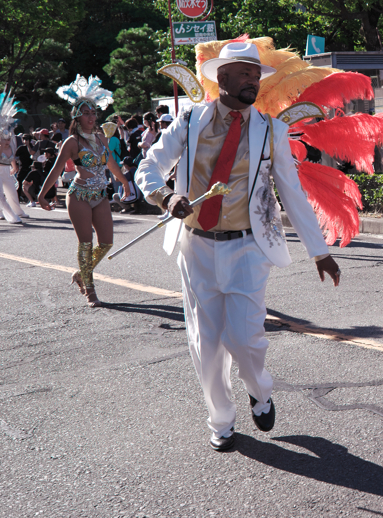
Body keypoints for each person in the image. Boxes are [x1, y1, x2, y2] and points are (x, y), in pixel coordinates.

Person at [135, 40, 342, 452]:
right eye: (244, 74)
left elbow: (292, 193)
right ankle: (221, 421)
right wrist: (166, 196)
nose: (252, 80)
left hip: (248, 246)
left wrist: (319, 250)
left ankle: (260, 392)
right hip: (196, 247)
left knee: (246, 339)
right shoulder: (189, 121)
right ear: (222, 78)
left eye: (255, 74)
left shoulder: (271, 130)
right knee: (206, 343)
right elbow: (149, 166)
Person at [37, 76, 132, 308]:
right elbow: (56, 169)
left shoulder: (101, 138)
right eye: (86, 113)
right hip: (79, 195)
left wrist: (124, 182)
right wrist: (42, 194)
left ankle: (81, 273)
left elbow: (111, 164)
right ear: (77, 116)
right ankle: (90, 290)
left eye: (93, 113)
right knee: (86, 244)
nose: (91, 117)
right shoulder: (72, 142)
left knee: (106, 243)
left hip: (100, 195)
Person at [0, 91, 26, 223]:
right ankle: (9, 216)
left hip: (6, 170)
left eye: (8, 139)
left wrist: (14, 167)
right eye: (5, 139)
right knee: (0, 196)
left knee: (12, 192)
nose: (7, 141)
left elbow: (12, 158)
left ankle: (18, 211)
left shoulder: (11, 143)